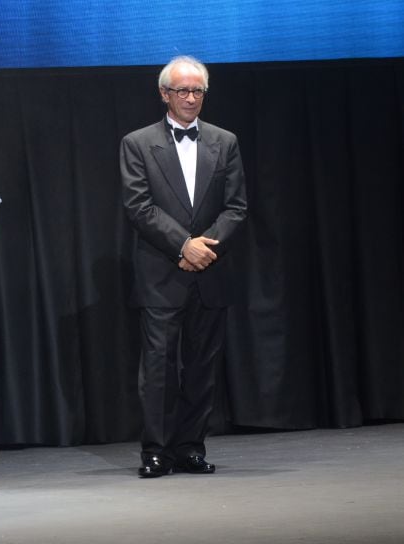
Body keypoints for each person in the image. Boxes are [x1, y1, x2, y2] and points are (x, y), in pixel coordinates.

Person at [120, 56, 247, 478]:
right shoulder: (137, 143)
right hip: (161, 273)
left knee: (201, 367)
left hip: (210, 270)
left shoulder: (224, 141)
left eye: (198, 91)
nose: (191, 98)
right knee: (157, 369)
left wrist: (204, 248)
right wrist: (182, 246)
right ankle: (156, 451)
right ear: (164, 94)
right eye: (183, 91)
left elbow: (236, 208)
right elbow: (139, 207)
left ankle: (190, 447)